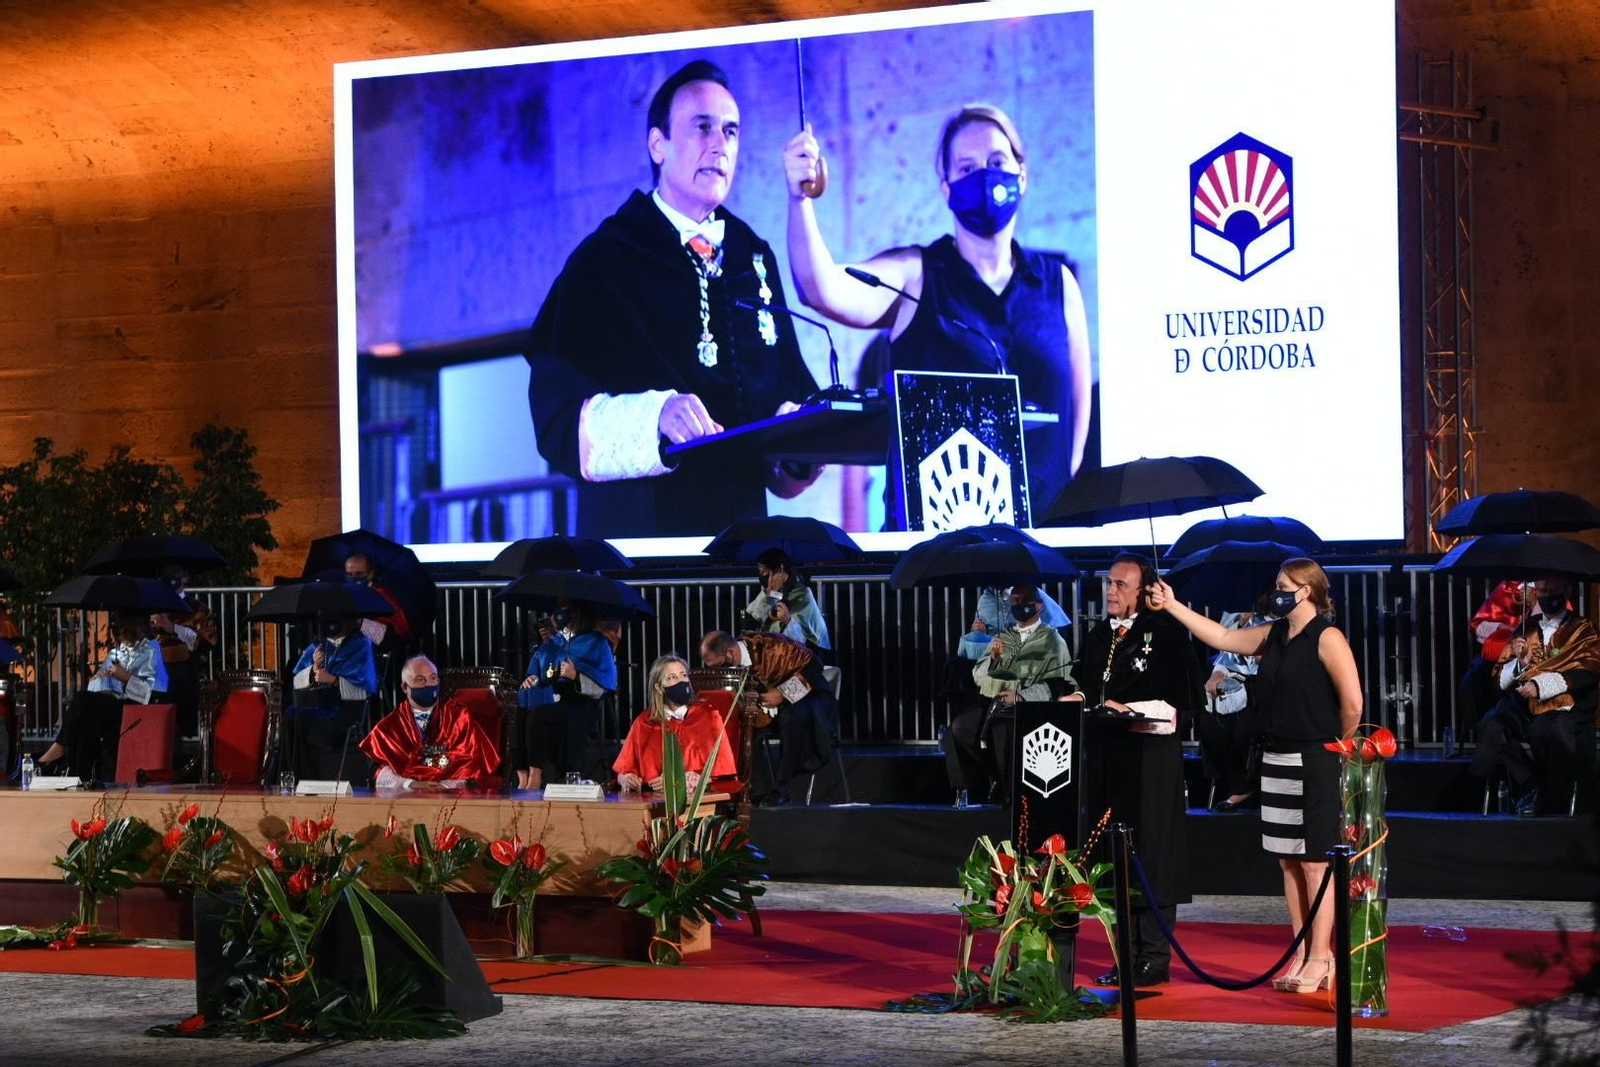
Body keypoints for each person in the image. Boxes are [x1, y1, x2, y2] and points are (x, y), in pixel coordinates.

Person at [525, 59, 822, 538]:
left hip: (741, 545)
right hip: (642, 547)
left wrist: (798, 444)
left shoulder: (752, 258)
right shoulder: (606, 259)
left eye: (730, 131)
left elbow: (780, 417)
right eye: (702, 127)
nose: (719, 144)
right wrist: (654, 416)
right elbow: (554, 417)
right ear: (657, 145)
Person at [783, 103, 1093, 514]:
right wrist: (799, 199)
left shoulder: (1058, 283)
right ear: (946, 188)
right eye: (967, 168)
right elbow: (821, 288)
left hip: (1046, 536)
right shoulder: (917, 275)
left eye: (996, 162)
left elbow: (1077, 415)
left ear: (1022, 174)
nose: (984, 176)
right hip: (940, 543)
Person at [1147, 558, 1363, 995]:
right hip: (1277, 756)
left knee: (1315, 862)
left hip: (1316, 757)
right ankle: (1301, 952)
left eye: (1284, 585)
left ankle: (1322, 957)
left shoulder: (1328, 637)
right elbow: (1223, 637)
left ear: (1306, 591)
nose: (1276, 592)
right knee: (1288, 860)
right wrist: (1172, 605)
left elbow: (1353, 703)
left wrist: (1337, 748)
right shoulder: (1274, 634)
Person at [1075, 554, 1205, 988]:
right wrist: (1078, 699)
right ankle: (1125, 955)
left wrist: (1128, 707)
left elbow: (1182, 702)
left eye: (1120, 585)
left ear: (1145, 591)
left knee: (1151, 853)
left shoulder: (1167, 635)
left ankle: (1153, 956)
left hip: (1151, 759)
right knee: (1113, 854)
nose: (1111, 591)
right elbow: (1088, 684)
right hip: (1108, 757)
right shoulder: (1098, 635)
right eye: (1108, 583)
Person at [1470, 575, 1599, 816]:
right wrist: (1520, 664)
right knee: (1493, 724)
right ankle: (1532, 786)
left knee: (1546, 728)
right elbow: (1499, 679)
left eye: (1553, 590)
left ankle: (1551, 797)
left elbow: (1589, 671)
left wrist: (1541, 685)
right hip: (1526, 705)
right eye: (1542, 591)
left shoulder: (1583, 628)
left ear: (1567, 591)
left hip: (1565, 706)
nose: (1547, 596)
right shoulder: (1526, 628)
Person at [943, 584, 1077, 804]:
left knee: (1002, 727)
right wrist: (994, 658)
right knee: (960, 727)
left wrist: (1021, 696)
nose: (1019, 606)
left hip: (1032, 707)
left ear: (1038, 605)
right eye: (1014, 601)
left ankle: (1010, 792)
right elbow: (978, 676)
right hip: (996, 703)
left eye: (1024, 601)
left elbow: (1058, 683)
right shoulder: (1003, 637)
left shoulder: (1053, 640)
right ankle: (989, 780)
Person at [700, 629, 838, 806]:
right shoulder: (732, 669)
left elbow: (814, 666)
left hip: (808, 699)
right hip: (768, 710)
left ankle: (781, 788)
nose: (718, 671)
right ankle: (755, 789)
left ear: (730, 653)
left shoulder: (772, 647)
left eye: (719, 666)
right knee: (744, 723)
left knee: (791, 718)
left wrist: (783, 694)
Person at [39, 611, 170, 781]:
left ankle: (60, 746)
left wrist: (126, 678)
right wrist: (101, 680)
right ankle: (80, 776)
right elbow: (96, 691)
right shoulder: (116, 653)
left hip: (137, 709)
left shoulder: (152, 649)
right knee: (87, 716)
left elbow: (155, 695)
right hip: (114, 705)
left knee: (82, 700)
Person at [361, 655, 499, 791]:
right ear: (405, 687)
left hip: (453, 795)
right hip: (407, 798)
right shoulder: (389, 727)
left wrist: (445, 786)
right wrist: (410, 784)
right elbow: (377, 771)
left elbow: (476, 765)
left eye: (433, 678)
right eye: (420, 680)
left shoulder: (460, 717)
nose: (428, 684)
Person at [521, 600, 617, 788]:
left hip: (582, 703)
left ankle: (535, 776)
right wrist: (532, 678)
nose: (560, 613)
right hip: (553, 698)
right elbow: (542, 671)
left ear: (577, 612)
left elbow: (604, 685)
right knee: (521, 711)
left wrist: (576, 676)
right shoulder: (554, 641)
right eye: (558, 608)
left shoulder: (596, 642)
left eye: (565, 609)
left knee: (539, 716)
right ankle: (522, 776)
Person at [615, 654, 737, 793]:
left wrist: (680, 781)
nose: (681, 681)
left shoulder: (708, 717)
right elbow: (625, 768)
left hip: (694, 799)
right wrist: (627, 778)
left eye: (683, 675)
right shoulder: (644, 722)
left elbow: (722, 771)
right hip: (650, 798)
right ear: (659, 688)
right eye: (672, 677)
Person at [1194, 595, 1271, 811]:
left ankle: (1252, 782)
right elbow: (1226, 656)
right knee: (1209, 724)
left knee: (1244, 730)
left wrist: (1264, 654)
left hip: (1267, 688)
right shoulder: (1245, 620)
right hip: (1236, 684)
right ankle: (1239, 783)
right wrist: (1216, 676)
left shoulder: (1286, 626)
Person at [283, 614, 379, 781]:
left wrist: (334, 680)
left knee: (306, 721)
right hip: (320, 703)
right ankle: (291, 775)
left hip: (347, 706)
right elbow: (297, 681)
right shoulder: (319, 645)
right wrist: (314, 669)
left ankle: (309, 777)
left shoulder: (361, 643)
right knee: (290, 715)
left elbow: (366, 688)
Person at [147, 563, 218, 741]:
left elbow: (204, 641)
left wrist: (172, 627)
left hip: (183, 669)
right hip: (152, 666)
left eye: (175, 573)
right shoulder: (153, 605)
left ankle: (184, 734)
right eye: (166, 573)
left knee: (180, 675)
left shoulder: (197, 608)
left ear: (185, 577)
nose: (170, 577)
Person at [1455, 579, 1530, 745]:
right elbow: (1479, 626)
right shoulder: (1506, 589)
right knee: (1474, 677)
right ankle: (1482, 729)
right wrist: (1501, 627)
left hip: (1533, 656)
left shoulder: (1547, 589)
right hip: (1498, 654)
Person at [742, 549, 832, 661]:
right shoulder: (769, 593)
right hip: (769, 658)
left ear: (779, 571)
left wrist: (789, 622)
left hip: (799, 660)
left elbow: (807, 640)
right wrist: (768, 598)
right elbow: (749, 625)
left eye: (763, 572)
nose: (762, 576)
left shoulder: (803, 595)